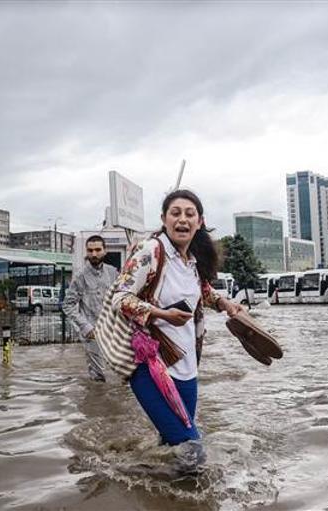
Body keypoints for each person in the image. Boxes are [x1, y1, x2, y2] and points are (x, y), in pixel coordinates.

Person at [112, 189, 244, 455]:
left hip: (187, 366)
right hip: (150, 364)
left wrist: (225, 304)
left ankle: (149, 484)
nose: (182, 219)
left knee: (170, 443)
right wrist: (162, 314)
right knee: (192, 448)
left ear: (200, 222)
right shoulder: (151, 251)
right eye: (175, 213)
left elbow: (203, 291)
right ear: (164, 219)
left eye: (189, 214)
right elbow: (119, 297)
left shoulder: (192, 262)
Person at [62, 235, 118, 381]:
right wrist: (85, 326)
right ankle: (96, 402)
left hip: (113, 330)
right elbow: (67, 304)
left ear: (105, 251)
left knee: (122, 372)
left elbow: (120, 297)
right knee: (99, 376)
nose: (94, 254)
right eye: (90, 250)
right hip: (92, 332)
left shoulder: (112, 272)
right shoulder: (80, 276)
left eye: (98, 250)